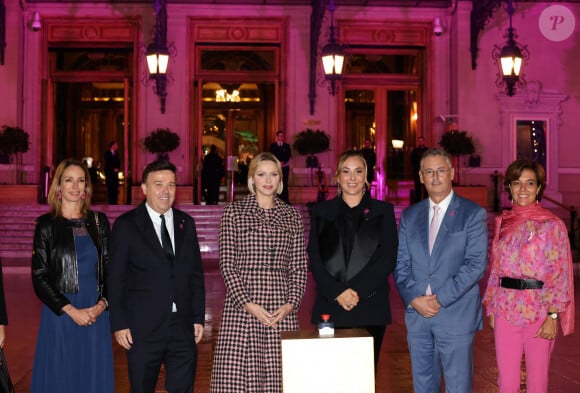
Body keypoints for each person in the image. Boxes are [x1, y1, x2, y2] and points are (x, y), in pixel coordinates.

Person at [210, 152, 307, 393]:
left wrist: (291, 304)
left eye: (273, 174)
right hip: (243, 307)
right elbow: (227, 265)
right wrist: (247, 303)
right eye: (261, 174)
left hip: (280, 308)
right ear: (252, 178)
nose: (267, 180)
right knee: (239, 378)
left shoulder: (292, 215)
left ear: (280, 179)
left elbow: (298, 266)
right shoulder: (233, 213)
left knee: (279, 376)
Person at [394, 148, 488, 393]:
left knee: (458, 386)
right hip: (418, 317)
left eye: (441, 171)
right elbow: (401, 264)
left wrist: (440, 299)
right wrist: (414, 299)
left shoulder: (472, 214)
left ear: (452, 173)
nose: (435, 177)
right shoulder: (410, 216)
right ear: (421, 176)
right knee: (423, 386)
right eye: (429, 172)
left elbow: (475, 264)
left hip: (455, 315)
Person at [108, 160, 205, 393]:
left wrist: (198, 317)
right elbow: (115, 277)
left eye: (171, 185)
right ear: (144, 188)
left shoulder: (186, 223)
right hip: (143, 328)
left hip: (182, 327)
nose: (165, 191)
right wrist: (119, 323)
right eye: (158, 184)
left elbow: (195, 275)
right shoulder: (126, 225)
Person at [482, 159, 574, 393]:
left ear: (539, 188)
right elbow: (495, 267)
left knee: (537, 382)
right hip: (505, 308)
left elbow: (560, 271)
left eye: (530, 183)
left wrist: (553, 316)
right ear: (510, 188)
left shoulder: (552, 225)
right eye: (517, 183)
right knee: (506, 382)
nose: (523, 189)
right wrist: (491, 307)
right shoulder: (503, 222)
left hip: (539, 310)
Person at [308, 150, 398, 368]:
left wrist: (356, 292)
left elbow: (388, 257)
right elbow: (315, 257)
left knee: (364, 379)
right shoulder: (321, 211)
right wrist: (337, 292)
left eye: (358, 171)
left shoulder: (383, 211)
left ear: (366, 176)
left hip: (370, 306)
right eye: (346, 172)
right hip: (331, 305)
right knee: (331, 378)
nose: (352, 178)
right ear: (338, 176)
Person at [30, 158, 114, 393]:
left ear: (87, 187)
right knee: (61, 375)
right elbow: (39, 275)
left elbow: (111, 269)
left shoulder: (99, 222)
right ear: (58, 187)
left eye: (81, 181)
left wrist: (100, 306)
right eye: (69, 180)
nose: (76, 187)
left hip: (95, 313)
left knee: (91, 375)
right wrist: (70, 311)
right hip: (61, 313)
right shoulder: (46, 225)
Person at [269, 130, 292, 204]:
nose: (281, 137)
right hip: (275, 168)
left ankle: (285, 200)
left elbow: (288, 155)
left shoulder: (287, 146)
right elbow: (271, 155)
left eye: (282, 136)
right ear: (277, 137)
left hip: (285, 167)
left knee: (284, 183)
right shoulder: (273, 146)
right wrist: (278, 162)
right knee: (275, 183)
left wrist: (283, 162)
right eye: (279, 136)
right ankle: (275, 200)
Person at [410, 136, 429, 203]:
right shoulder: (415, 151)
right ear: (418, 142)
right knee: (417, 188)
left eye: (422, 140)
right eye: (419, 141)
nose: (420, 142)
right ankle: (418, 203)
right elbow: (412, 162)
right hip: (417, 172)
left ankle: (426, 202)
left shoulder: (427, 150)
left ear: (423, 141)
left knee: (426, 188)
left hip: (425, 172)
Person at [104, 140, 121, 204]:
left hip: (115, 174)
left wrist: (117, 168)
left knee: (115, 187)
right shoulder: (107, 153)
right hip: (109, 173)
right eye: (116, 145)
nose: (117, 146)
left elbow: (118, 162)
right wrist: (113, 169)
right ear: (112, 146)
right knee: (110, 187)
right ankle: (110, 201)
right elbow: (108, 162)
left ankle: (115, 201)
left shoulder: (117, 153)